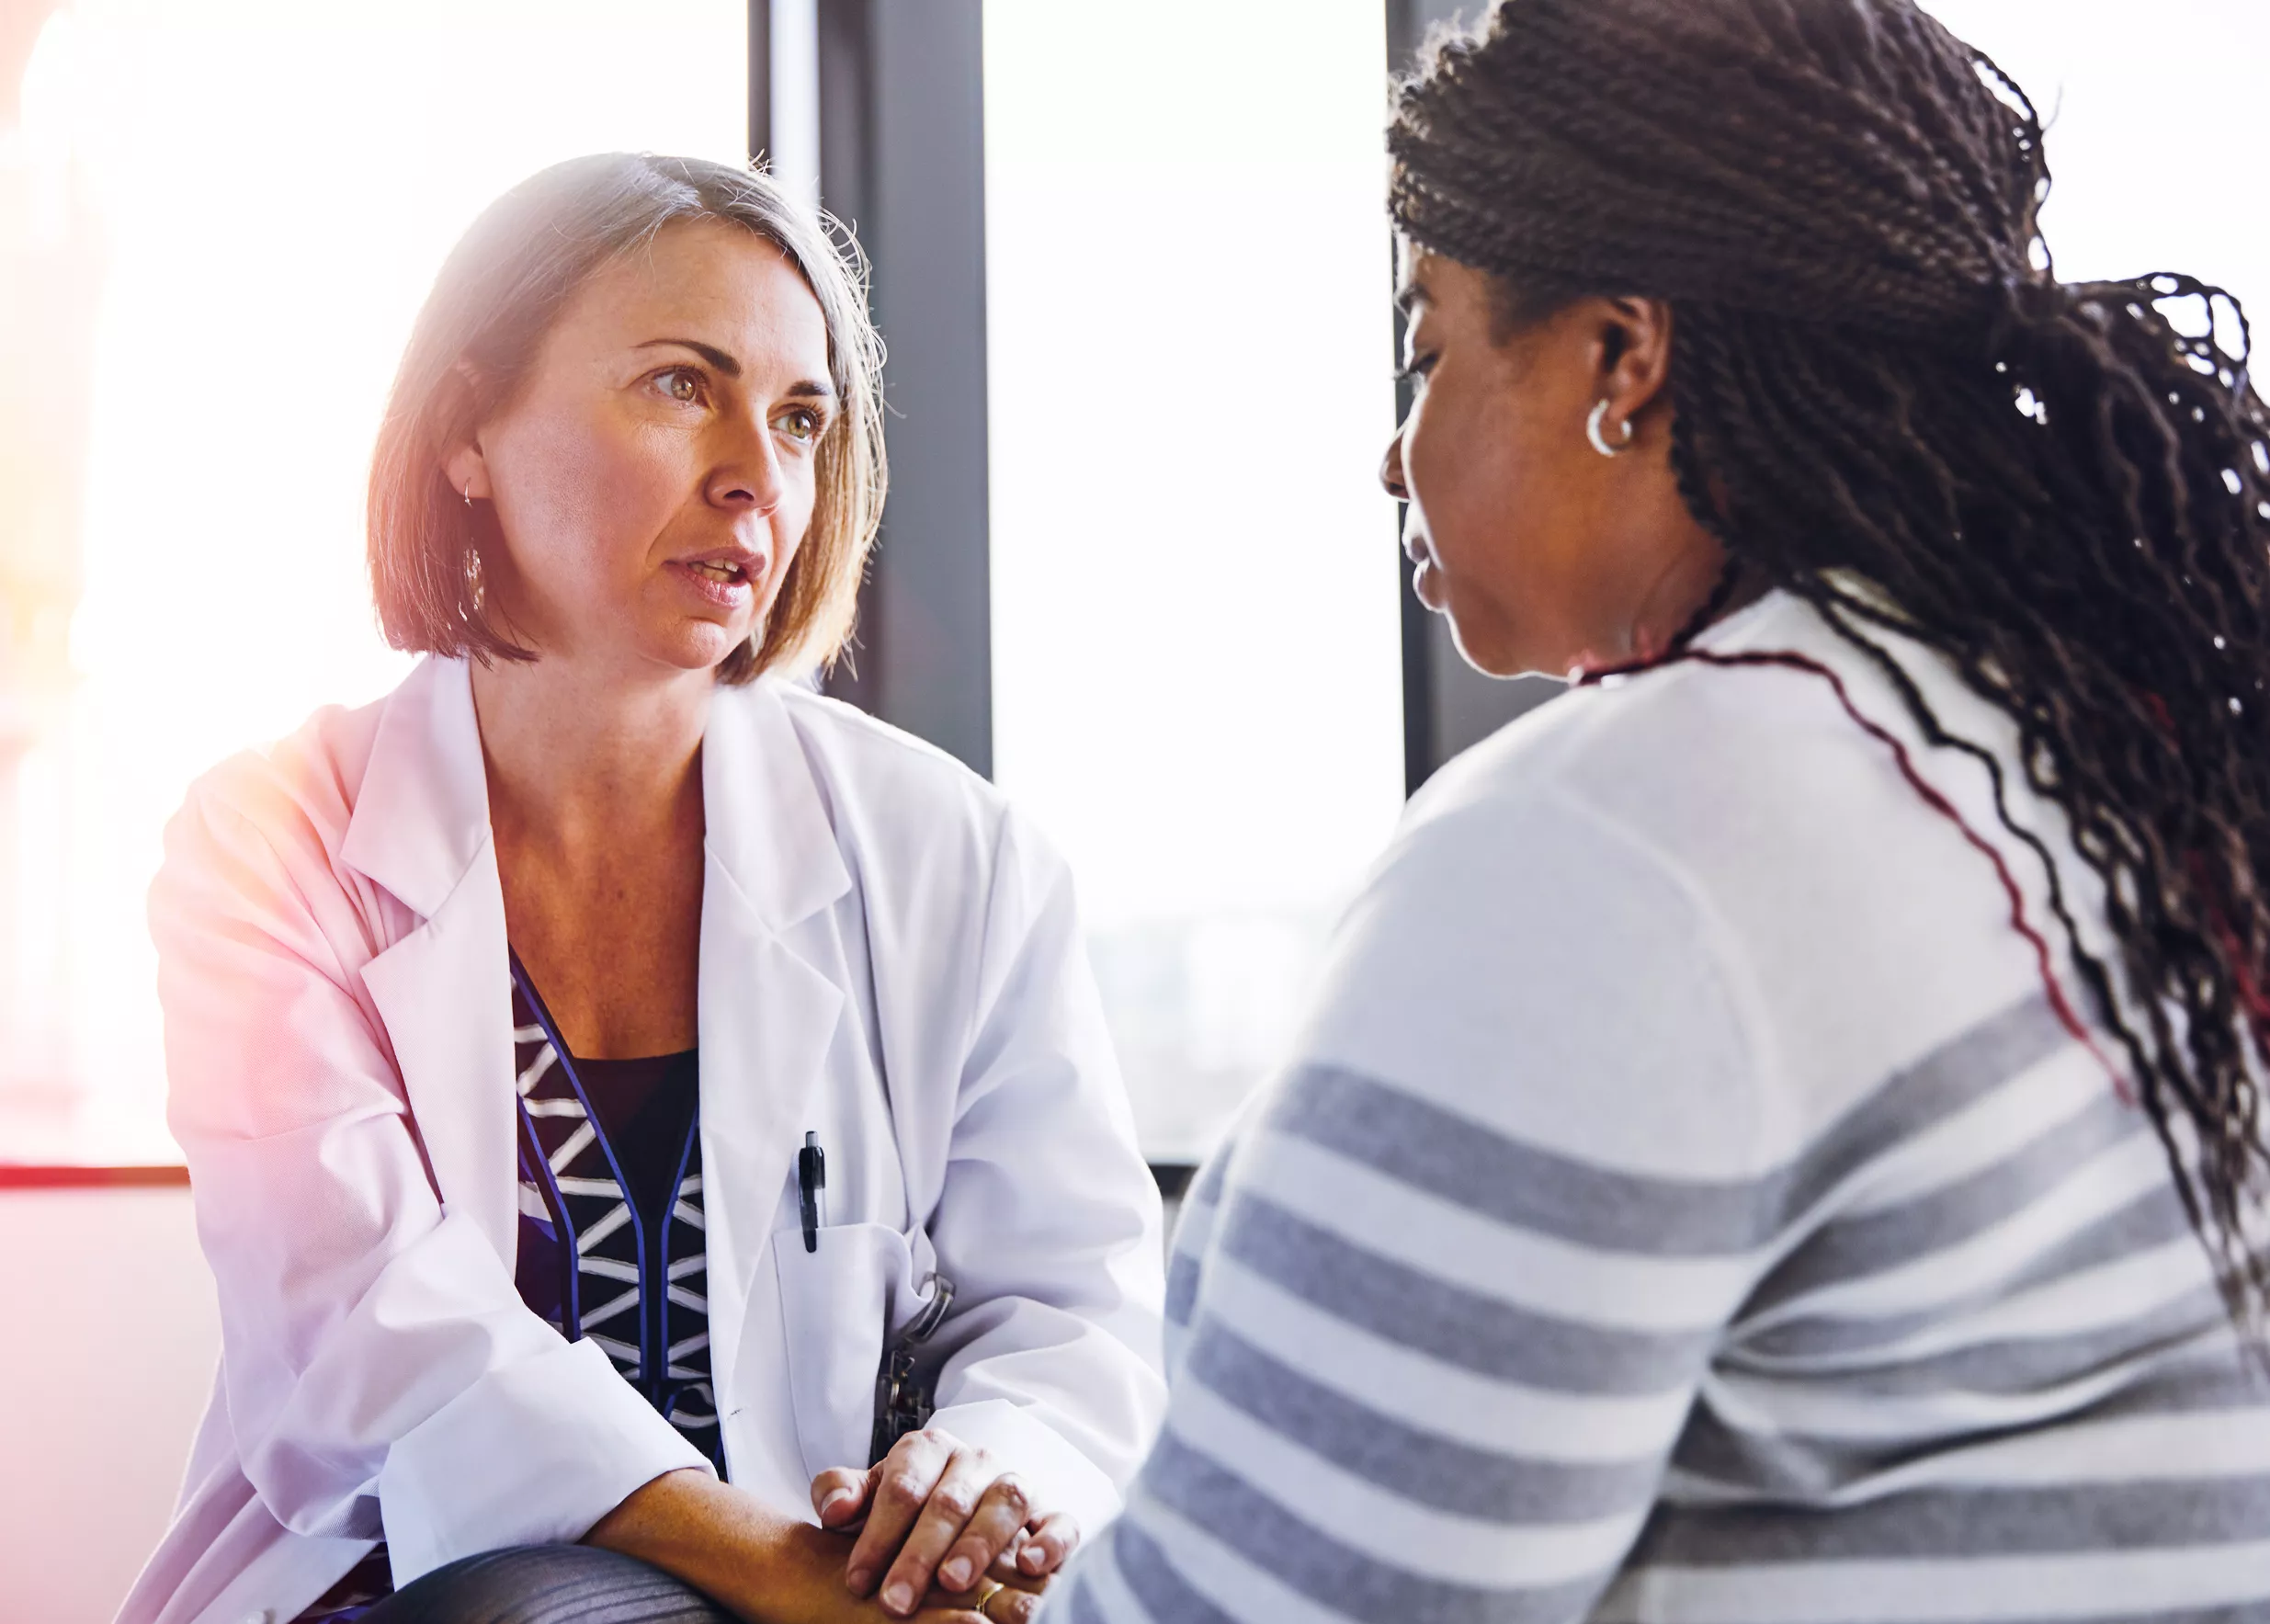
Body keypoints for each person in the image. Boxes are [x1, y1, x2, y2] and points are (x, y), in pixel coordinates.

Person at [1047, 1, 2270, 1619]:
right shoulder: (2080, 755)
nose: (1391, 457)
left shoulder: (1612, 853)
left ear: (1621, 356)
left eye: (1425, 350)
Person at [119, 153, 1164, 1624]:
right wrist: (790, 1582)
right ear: (469, 428)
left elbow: (1072, 1313)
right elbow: (374, 1337)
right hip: (401, 1585)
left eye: (800, 418)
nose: (758, 471)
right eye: (684, 386)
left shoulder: (952, 855)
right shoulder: (270, 840)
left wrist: (968, 1486)